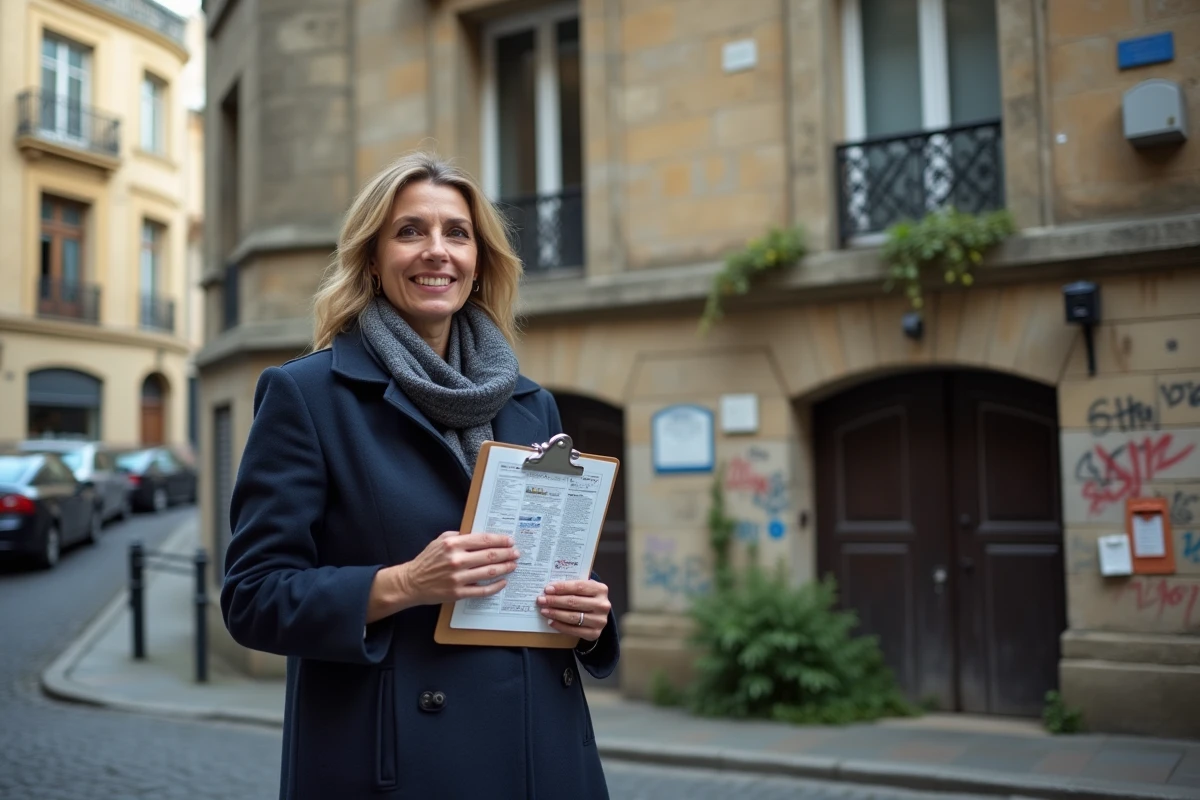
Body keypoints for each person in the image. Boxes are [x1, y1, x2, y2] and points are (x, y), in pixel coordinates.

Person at [220, 152, 619, 799]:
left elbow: (547, 566)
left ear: (480, 261)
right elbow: (252, 598)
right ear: (372, 259)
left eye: (456, 234)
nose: (438, 251)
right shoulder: (307, 396)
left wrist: (589, 612)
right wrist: (405, 583)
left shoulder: (528, 401)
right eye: (410, 231)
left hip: (543, 754)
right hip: (400, 762)